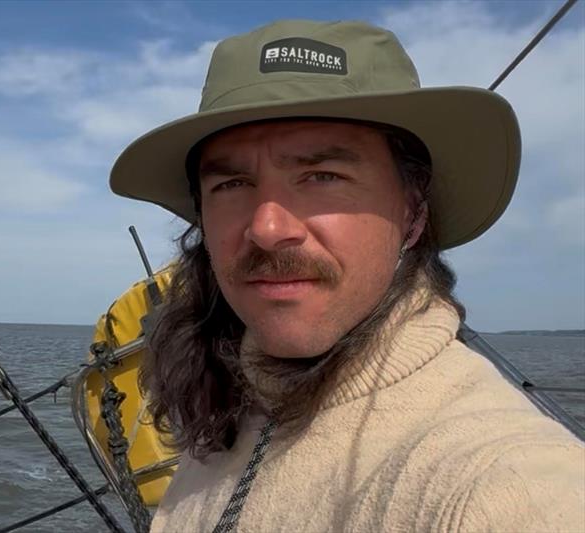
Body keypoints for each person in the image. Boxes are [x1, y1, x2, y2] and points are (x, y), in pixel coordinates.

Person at [109, 20, 584, 532]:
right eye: (232, 183)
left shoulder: (504, 487)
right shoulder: (223, 417)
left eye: (322, 177)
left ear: (413, 213)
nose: (267, 228)